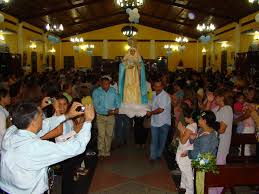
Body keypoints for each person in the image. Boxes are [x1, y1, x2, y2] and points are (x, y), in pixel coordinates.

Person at [0, 99, 95, 194]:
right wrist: (88, 121)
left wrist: (67, 115)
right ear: (33, 121)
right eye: (41, 116)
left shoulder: (11, 132)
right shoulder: (35, 148)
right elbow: (76, 147)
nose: (43, 119)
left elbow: (44, 125)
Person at [92, 76, 120, 158]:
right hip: (100, 116)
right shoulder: (96, 92)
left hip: (111, 116)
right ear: (101, 84)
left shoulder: (113, 91)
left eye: (107, 84)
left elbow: (117, 100)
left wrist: (117, 108)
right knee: (101, 134)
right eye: (104, 84)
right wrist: (107, 111)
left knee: (109, 134)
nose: (106, 86)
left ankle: (107, 152)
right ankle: (101, 152)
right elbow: (96, 106)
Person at [147, 79, 171, 162]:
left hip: (164, 122)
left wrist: (151, 113)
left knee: (162, 141)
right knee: (154, 140)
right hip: (154, 121)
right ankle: (153, 156)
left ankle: (158, 154)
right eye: (156, 86)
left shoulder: (165, 96)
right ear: (153, 87)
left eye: (159, 86)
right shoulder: (153, 94)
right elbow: (149, 103)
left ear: (162, 86)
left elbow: (161, 109)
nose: (158, 88)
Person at [176, 106, 198, 194]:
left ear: (190, 117)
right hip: (188, 149)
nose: (184, 118)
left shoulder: (190, 127)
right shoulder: (195, 125)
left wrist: (181, 130)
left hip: (185, 151)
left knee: (187, 172)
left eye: (185, 116)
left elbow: (183, 140)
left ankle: (189, 191)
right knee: (185, 171)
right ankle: (183, 187)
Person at [0, 88, 11, 158]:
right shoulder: (1, 112)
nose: (10, 98)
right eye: (8, 96)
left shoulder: (3, 109)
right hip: (2, 144)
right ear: (2, 98)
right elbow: (3, 131)